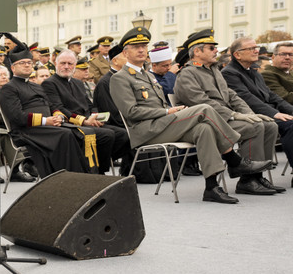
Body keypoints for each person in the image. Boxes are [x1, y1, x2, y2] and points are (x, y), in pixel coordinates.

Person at [110, 27, 273, 204]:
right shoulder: (120, 78)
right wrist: (166, 111)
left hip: (163, 124)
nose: (142, 50)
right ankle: (233, 160)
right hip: (146, 130)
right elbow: (131, 112)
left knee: (204, 129)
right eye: (136, 47)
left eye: (144, 46)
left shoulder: (148, 76)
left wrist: (171, 111)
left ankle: (211, 187)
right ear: (125, 53)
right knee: (203, 109)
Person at [174, 29, 279, 196]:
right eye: (211, 48)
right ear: (197, 52)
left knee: (270, 125)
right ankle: (247, 180)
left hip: (225, 119)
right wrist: (234, 115)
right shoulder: (187, 74)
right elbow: (201, 102)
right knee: (255, 127)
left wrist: (249, 114)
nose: (216, 50)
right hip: (209, 122)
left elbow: (232, 96)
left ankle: (257, 176)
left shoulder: (214, 70)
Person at [0, 44, 93, 177]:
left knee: (78, 132)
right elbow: (17, 116)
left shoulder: (36, 86)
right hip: (26, 130)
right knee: (66, 135)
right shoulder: (9, 88)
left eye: (29, 62)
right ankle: (65, 177)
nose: (27, 65)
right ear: (13, 68)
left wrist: (59, 117)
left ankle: (83, 174)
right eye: (22, 63)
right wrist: (45, 121)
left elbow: (51, 106)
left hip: (47, 126)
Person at [221, 36, 292, 192]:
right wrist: (274, 113)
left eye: (256, 47)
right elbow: (246, 99)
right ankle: (248, 179)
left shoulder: (253, 71)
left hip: (264, 113)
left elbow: (272, 96)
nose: (256, 51)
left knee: (277, 124)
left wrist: (289, 111)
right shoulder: (229, 73)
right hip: (247, 115)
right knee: (285, 125)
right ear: (237, 54)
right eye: (251, 48)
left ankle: (258, 176)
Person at [42, 50, 129, 174]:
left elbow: (90, 104)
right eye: (63, 63)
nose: (66, 66)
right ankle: (99, 171)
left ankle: (95, 165)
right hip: (71, 125)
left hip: (89, 122)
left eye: (70, 64)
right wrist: (85, 121)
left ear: (74, 65)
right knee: (107, 135)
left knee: (124, 135)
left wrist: (95, 117)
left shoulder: (77, 83)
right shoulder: (49, 83)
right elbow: (59, 108)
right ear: (56, 64)